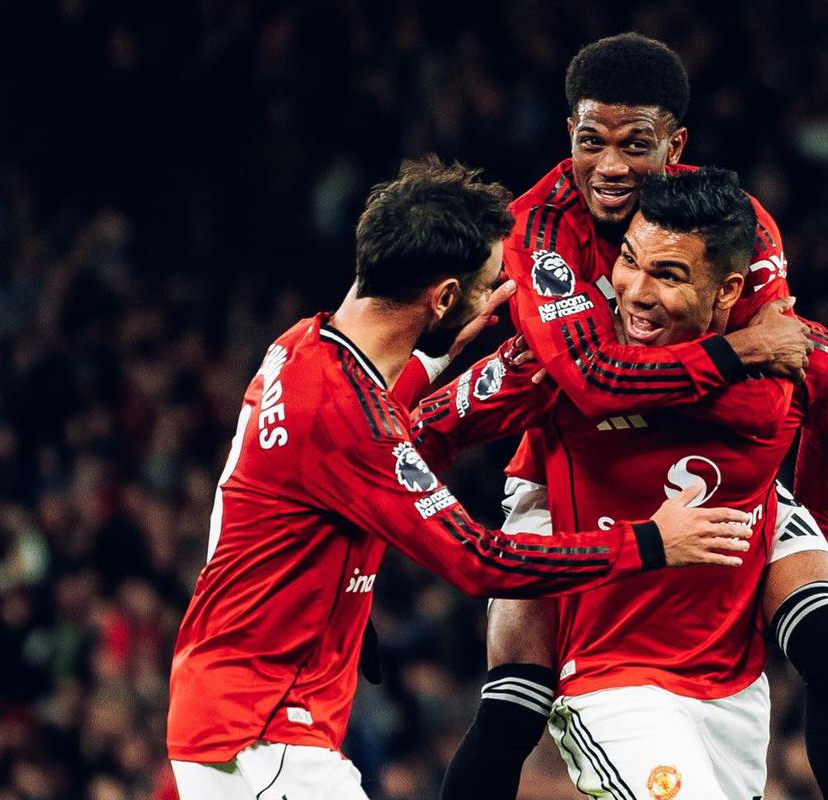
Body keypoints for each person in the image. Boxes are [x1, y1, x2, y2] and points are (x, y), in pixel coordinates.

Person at [165, 158, 759, 800]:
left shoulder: (300, 348)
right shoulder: (343, 415)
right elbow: (481, 562)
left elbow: (369, 422)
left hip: (238, 713)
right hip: (261, 733)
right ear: (444, 297)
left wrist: (436, 354)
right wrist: (650, 541)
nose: (500, 300)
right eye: (487, 287)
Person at [435, 33, 828, 800]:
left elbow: (780, 387)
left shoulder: (738, 223)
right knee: (515, 700)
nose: (610, 167)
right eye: (591, 141)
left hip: (724, 466)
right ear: (568, 134)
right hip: (568, 464)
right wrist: (734, 353)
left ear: (674, 146)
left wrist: (815, 534)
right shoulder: (536, 232)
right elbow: (592, 384)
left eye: (634, 145)